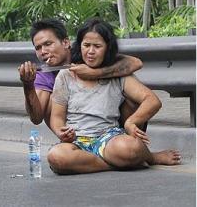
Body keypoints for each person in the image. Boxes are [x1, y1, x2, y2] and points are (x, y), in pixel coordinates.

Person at [47, 18, 181, 174]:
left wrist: (131, 122)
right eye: (86, 45)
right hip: (76, 141)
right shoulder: (66, 75)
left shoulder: (118, 73)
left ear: (107, 48)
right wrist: (60, 132)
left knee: (129, 148)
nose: (90, 51)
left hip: (109, 139)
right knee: (56, 156)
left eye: (97, 46)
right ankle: (121, 163)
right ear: (79, 46)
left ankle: (149, 157)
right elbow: (56, 117)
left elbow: (152, 100)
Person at [18, 18, 143, 129]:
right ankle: (73, 142)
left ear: (65, 42)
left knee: (131, 92)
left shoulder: (86, 53)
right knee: (51, 101)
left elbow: (135, 63)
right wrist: (28, 84)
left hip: (110, 123)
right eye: (38, 48)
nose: (43, 51)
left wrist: (95, 73)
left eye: (48, 44)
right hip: (76, 129)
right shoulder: (43, 75)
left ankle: (131, 143)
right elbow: (36, 118)